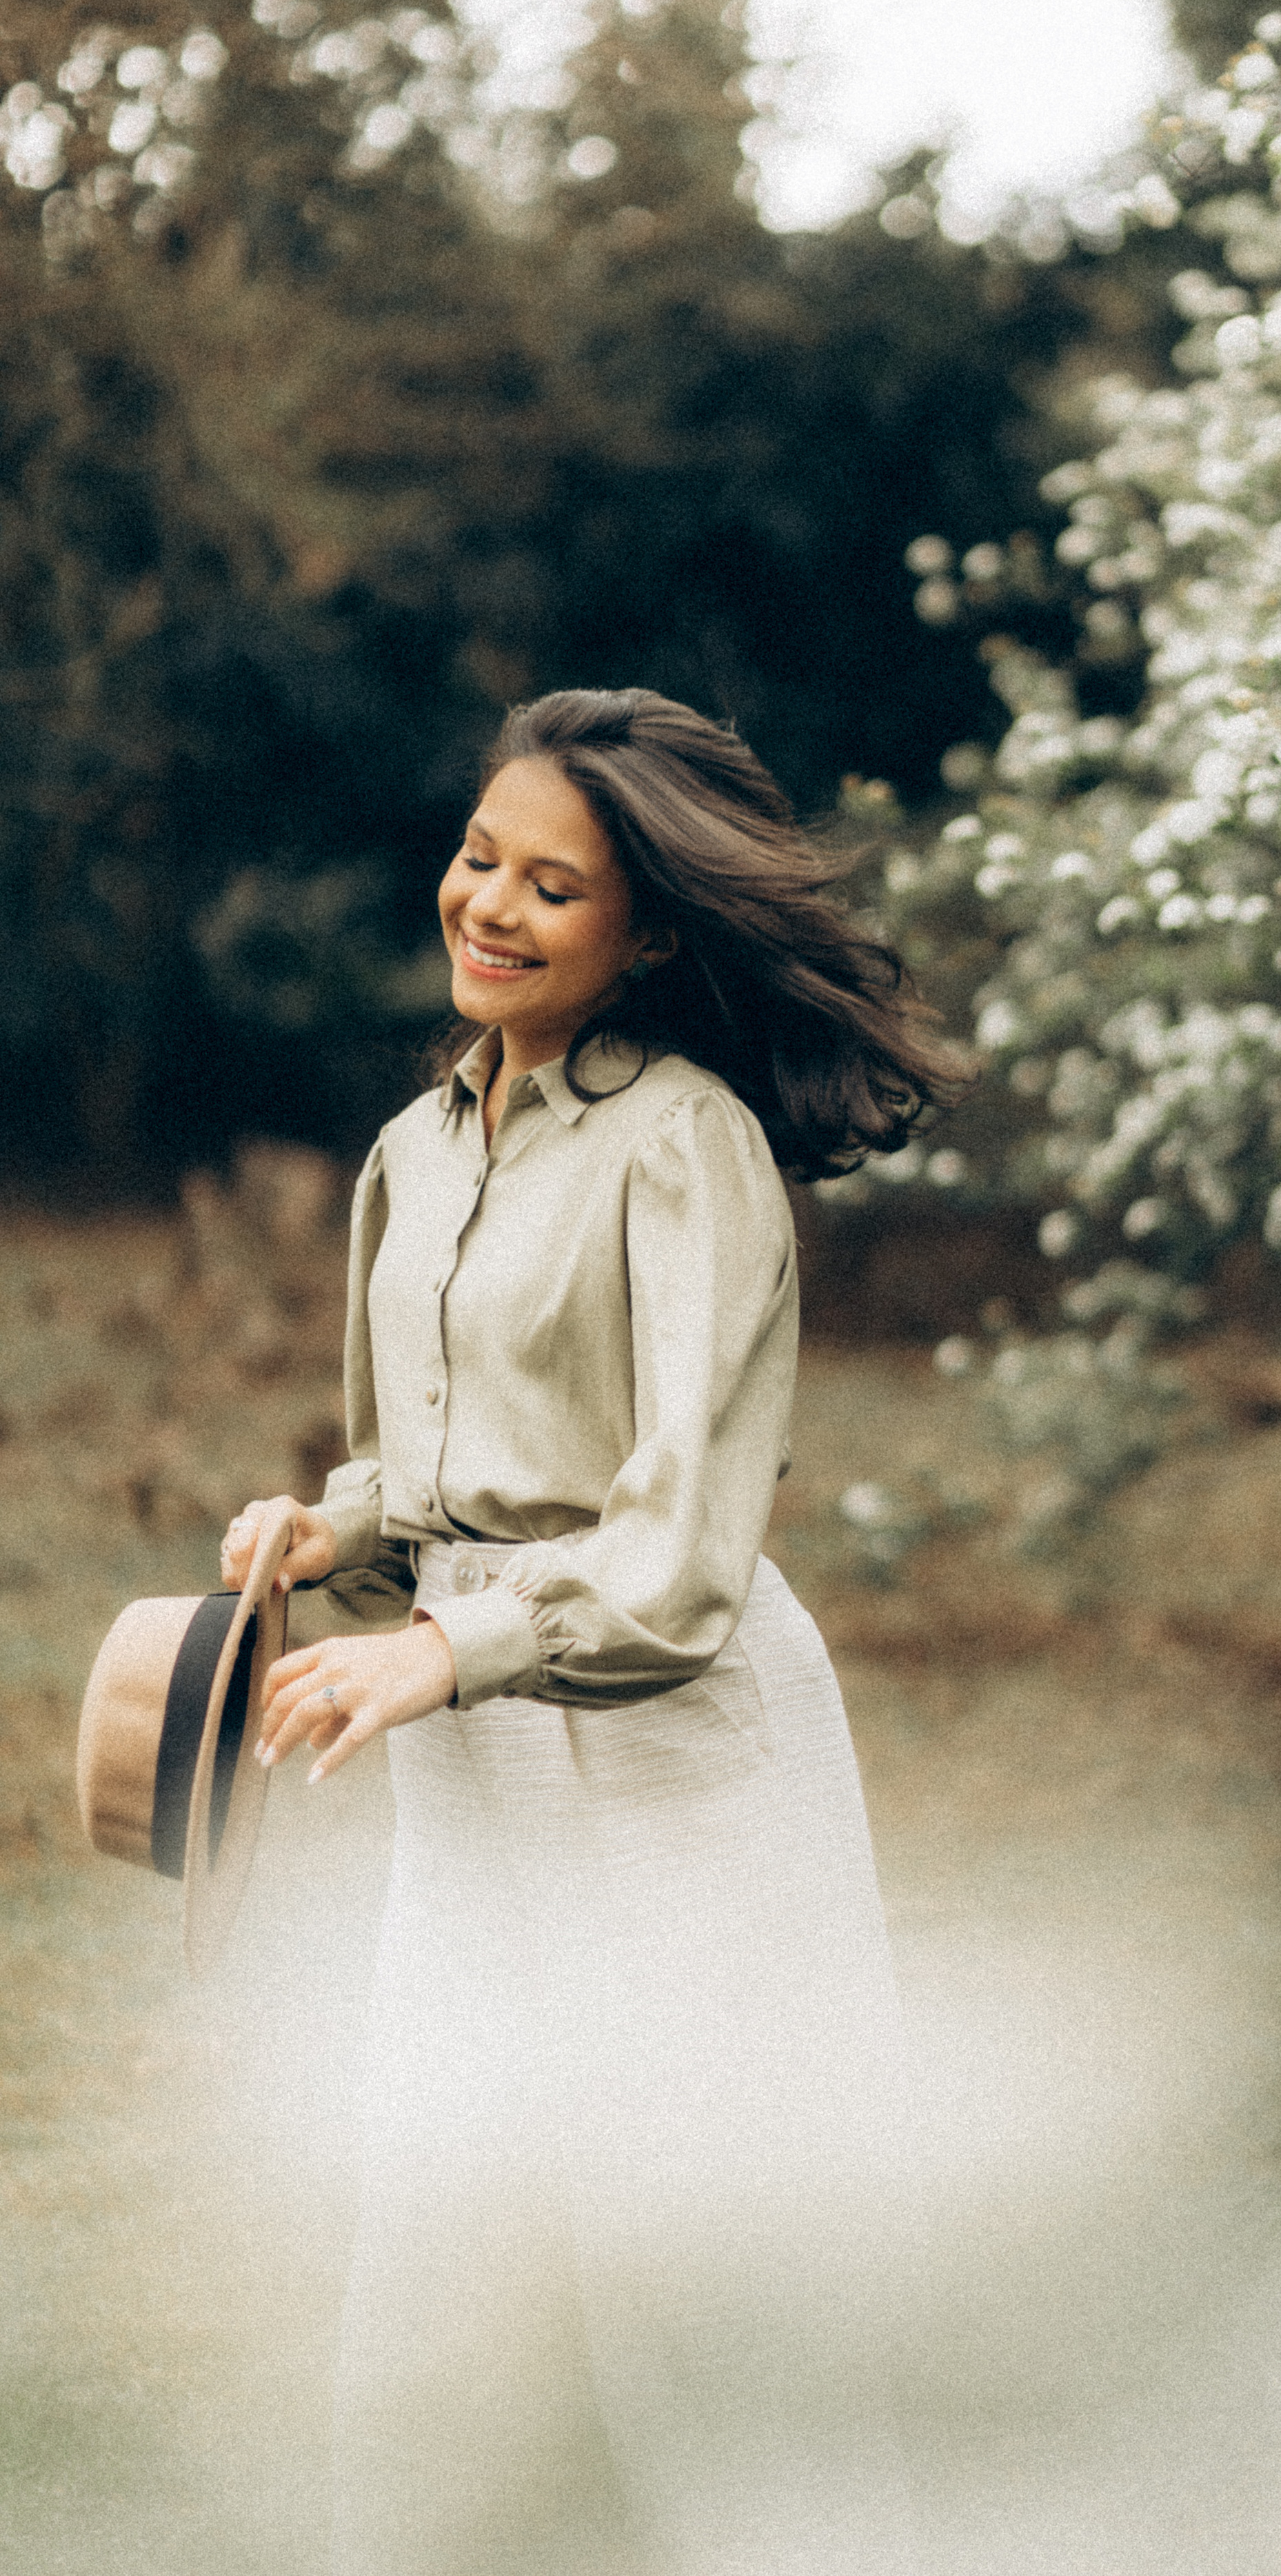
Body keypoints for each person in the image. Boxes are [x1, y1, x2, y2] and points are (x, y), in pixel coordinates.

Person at [221, 687, 962, 2576]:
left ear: (645, 934)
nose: (493, 904)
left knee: (702, 2281)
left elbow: (680, 1547)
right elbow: (434, 1465)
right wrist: (333, 1527)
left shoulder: (682, 1149)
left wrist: (442, 1651)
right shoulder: (419, 1144)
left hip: (671, 1767)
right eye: (484, 857)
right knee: (439, 2258)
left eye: (557, 887)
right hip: (467, 1773)